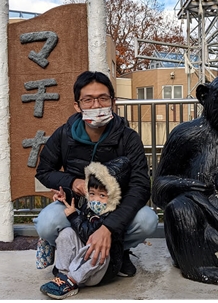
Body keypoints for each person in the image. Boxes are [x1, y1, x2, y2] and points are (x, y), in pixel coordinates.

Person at [33, 72, 157, 283]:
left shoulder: (128, 138)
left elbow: (140, 185)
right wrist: (72, 182)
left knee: (147, 220)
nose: (96, 105)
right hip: (76, 203)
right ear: (77, 105)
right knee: (46, 223)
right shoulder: (64, 135)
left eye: (103, 98)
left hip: (113, 208)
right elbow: (44, 171)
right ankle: (70, 252)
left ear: (113, 102)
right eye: (88, 99)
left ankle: (116, 252)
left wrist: (109, 228)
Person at [40, 157, 133, 299]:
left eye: (102, 195)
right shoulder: (90, 205)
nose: (95, 199)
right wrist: (66, 195)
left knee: (97, 245)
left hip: (98, 271)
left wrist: (73, 217)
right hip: (83, 264)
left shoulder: (114, 214)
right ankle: (63, 275)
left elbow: (89, 234)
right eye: (92, 194)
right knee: (66, 233)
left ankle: (71, 281)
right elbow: (81, 211)